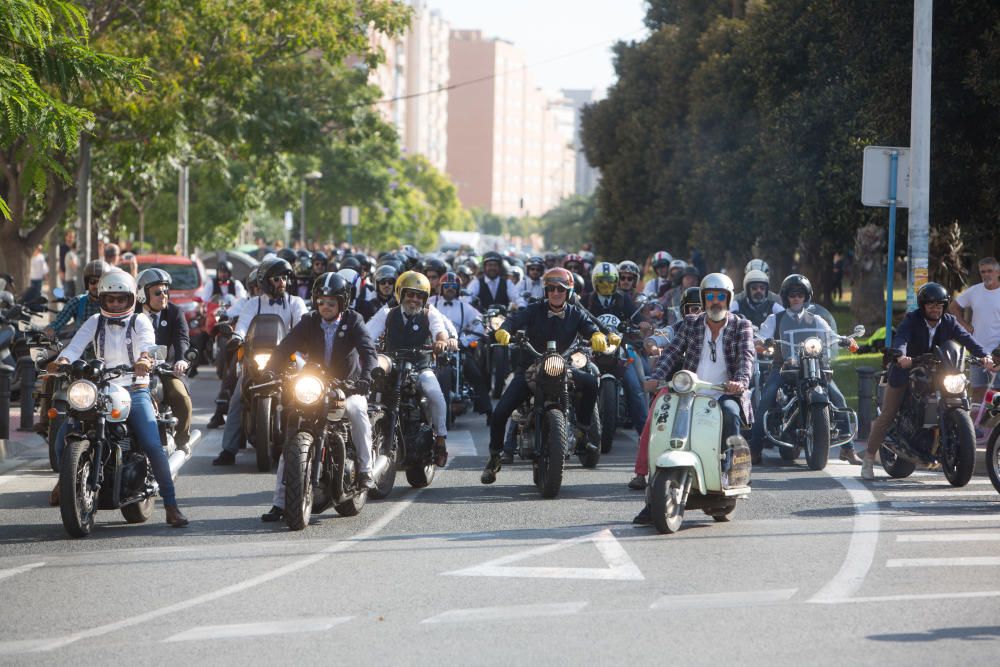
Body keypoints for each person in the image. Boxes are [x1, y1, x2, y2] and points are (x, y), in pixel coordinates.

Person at [51, 269, 189, 527]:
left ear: (131, 299)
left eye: (121, 299)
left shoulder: (140, 321)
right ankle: (69, 482)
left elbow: (149, 345)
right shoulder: (94, 320)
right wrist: (63, 360)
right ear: (102, 299)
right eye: (110, 299)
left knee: (151, 444)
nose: (115, 304)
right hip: (101, 387)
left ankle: (171, 505)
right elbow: (75, 344)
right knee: (62, 436)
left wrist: (145, 359)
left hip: (135, 389)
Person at [632, 273, 754, 523]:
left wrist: (739, 383)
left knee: (730, 414)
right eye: (711, 296)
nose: (716, 302)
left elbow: (746, 359)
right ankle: (652, 495)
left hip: (723, 393)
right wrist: (657, 376)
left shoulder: (742, 326)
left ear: (728, 300)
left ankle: (726, 472)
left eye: (721, 296)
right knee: (662, 426)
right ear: (704, 299)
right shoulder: (692, 323)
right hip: (688, 392)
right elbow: (673, 353)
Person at [260, 273, 378, 521]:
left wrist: (365, 378)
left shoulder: (354, 321)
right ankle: (280, 502)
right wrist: (270, 369)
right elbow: (285, 347)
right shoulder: (309, 321)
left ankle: (366, 470)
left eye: (331, 303)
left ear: (342, 303)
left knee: (357, 412)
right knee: (292, 435)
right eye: (321, 301)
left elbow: (369, 351)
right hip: (315, 385)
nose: (325, 307)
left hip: (348, 386)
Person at [480, 267, 611, 484]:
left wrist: (597, 335)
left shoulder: (575, 313)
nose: (556, 293)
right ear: (545, 291)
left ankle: (582, 432)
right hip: (531, 368)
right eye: (551, 289)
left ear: (568, 292)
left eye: (561, 289)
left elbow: (589, 327)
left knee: (591, 383)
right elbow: (514, 320)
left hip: (563, 366)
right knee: (500, 412)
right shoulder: (533, 309)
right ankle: (494, 457)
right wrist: (503, 330)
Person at [863, 283, 995, 479]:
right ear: (923, 306)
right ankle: (868, 460)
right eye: (931, 305)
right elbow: (902, 338)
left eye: (939, 305)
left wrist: (984, 356)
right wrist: (901, 356)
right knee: (888, 414)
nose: (935, 309)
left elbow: (967, 339)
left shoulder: (949, 321)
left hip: (940, 371)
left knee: (958, 393)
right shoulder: (912, 319)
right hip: (908, 370)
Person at [750, 274, 859, 464]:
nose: (796, 298)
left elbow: (831, 334)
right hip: (784, 367)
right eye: (792, 295)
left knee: (838, 397)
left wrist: (845, 340)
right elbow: (762, 336)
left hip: (814, 365)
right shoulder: (775, 319)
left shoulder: (815, 319)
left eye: (800, 294)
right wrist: (760, 341)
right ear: (786, 297)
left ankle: (848, 449)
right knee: (766, 398)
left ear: (806, 296)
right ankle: (755, 448)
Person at [212, 257, 309, 465]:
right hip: (257, 359)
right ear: (265, 281)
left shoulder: (295, 302)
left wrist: (307, 339)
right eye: (276, 279)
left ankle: (306, 444)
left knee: (307, 391)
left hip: (288, 358)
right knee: (237, 397)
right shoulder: (252, 304)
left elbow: (303, 323)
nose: (281, 282)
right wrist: (237, 337)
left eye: (284, 278)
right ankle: (228, 450)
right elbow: (243, 325)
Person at [366, 271, 452, 467]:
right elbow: (367, 334)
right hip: (391, 367)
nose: (414, 300)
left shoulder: (430, 313)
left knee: (435, 394)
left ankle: (440, 439)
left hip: (420, 367)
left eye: (419, 295)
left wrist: (440, 342)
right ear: (401, 294)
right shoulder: (387, 314)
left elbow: (440, 332)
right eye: (410, 294)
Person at [583, 262, 648, 439]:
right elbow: (576, 317)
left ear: (616, 282)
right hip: (591, 350)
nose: (606, 285)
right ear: (595, 282)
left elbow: (637, 316)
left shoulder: (623, 299)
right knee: (576, 382)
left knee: (635, 387)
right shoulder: (586, 300)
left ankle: (645, 436)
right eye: (602, 281)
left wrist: (642, 324)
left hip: (618, 350)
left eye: (610, 281)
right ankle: (576, 426)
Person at [137, 268, 194, 452]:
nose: (163, 296)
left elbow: (182, 339)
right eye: (157, 292)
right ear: (142, 294)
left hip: (165, 369)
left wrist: (181, 360)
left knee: (182, 398)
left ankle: (182, 439)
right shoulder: (132, 314)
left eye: (165, 291)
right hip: (133, 369)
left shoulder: (175, 312)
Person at [430, 272, 492, 418]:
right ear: (441, 287)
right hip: (435, 347)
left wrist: (465, 341)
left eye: (453, 286)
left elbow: (480, 323)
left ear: (458, 288)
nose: (450, 289)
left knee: (475, 374)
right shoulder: (431, 302)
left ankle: (488, 411)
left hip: (458, 347)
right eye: (447, 286)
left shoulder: (465, 306)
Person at [948, 257, 1000, 408]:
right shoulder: (974, 291)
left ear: (998, 272)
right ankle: (976, 429)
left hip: (998, 352)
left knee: (996, 393)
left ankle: (991, 428)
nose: (986, 275)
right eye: (983, 272)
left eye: (990, 271)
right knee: (978, 391)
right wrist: (965, 326)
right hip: (978, 351)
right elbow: (953, 307)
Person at [45, 260, 110, 339]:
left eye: (100, 282)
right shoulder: (78, 302)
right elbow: (57, 324)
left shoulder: (114, 304)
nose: (96, 286)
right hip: (80, 349)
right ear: (87, 283)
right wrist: (45, 333)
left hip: (107, 349)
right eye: (93, 281)